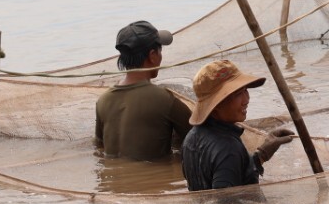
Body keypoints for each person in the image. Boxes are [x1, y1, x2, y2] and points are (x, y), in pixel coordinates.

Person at [181, 59, 295, 191]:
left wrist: (262, 154)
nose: (246, 100)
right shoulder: (228, 149)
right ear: (216, 104)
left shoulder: (190, 138)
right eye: (238, 94)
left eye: (245, 90)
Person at [94, 20, 193, 162]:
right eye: (160, 51)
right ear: (152, 55)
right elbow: (198, 137)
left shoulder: (102, 101)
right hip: (157, 180)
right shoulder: (164, 99)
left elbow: (99, 146)